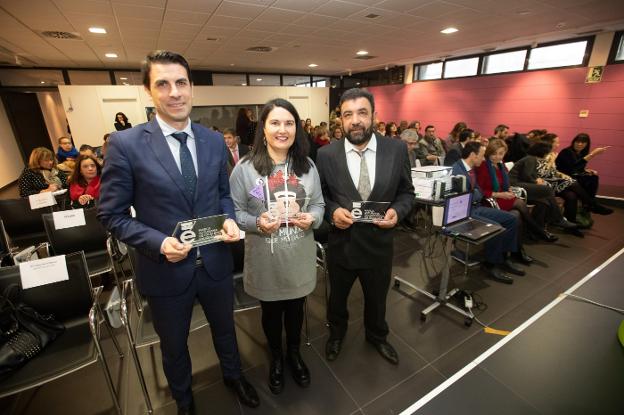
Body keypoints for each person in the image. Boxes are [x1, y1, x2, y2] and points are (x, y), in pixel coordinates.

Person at [97, 50, 259, 414]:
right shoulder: (126, 145)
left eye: (181, 83)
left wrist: (230, 218)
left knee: (226, 330)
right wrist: (157, 242)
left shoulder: (213, 141)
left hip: (215, 261)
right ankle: (184, 401)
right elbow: (111, 214)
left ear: (191, 88)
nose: (174, 92)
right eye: (163, 84)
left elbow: (222, 194)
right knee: (173, 345)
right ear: (148, 91)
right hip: (164, 269)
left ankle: (234, 376)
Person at [229, 98, 324, 395]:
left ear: (297, 128)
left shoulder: (307, 166)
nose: (282, 129)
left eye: (289, 123)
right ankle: (276, 358)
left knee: (296, 308)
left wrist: (312, 218)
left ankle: (294, 353)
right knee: (270, 313)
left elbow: (320, 204)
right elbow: (234, 214)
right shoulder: (244, 169)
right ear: (263, 128)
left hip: (298, 256)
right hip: (265, 260)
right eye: (275, 123)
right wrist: (257, 223)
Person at [316, 88, 415, 365]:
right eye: (348, 114)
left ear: (374, 116)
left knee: (377, 299)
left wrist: (397, 211)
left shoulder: (395, 150)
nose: (355, 120)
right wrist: (333, 211)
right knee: (337, 300)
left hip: (379, 246)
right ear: (341, 119)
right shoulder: (326, 154)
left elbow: (407, 192)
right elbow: (319, 197)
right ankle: (336, 334)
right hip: (342, 247)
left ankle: (377, 336)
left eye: (362, 113)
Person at [452, 142, 526, 284]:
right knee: (496, 227)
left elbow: (477, 191)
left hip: (475, 206)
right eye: (481, 155)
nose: (484, 158)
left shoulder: (471, 168)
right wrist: (477, 194)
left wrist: (477, 194)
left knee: (511, 219)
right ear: (473, 156)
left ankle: (504, 257)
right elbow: (467, 196)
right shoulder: (458, 171)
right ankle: (491, 263)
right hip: (465, 211)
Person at [476, 139, 558, 243]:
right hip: (490, 200)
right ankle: (539, 231)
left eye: (500, 154)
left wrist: (508, 189)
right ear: (488, 153)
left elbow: (504, 184)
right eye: (493, 154)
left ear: (505, 153)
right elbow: (480, 191)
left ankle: (534, 232)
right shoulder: (483, 166)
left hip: (502, 197)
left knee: (542, 202)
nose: (497, 157)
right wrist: (500, 194)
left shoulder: (501, 166)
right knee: (520, 204)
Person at [509, 142, 581, 237]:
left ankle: (538, 231)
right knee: (547, 190)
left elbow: (529, 175)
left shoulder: (530, 158)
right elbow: (527, 176)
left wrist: (536, 180)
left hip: (520, 183)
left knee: (543, 201)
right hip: (516, 184)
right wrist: (536, 181)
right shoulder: (530, 159)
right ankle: (558, 219)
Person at [538, 133, 597, 225]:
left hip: (556, 181)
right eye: (556, 143)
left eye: (583, 143)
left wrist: (584, 170)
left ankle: (571, 223)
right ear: (548, 143)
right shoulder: (545, 154)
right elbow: (543, 172)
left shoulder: (553, 154)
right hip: (547, 183)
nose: (558, 145)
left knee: (572, 194)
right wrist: (592, 155)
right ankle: (590, 203)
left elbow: (554, 171)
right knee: (574, 182)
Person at [555, 133, 612, 215]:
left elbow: (578, 168)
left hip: (572, 177)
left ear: (587, 144)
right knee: (574, 194)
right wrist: (593, 154)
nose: (579, 144)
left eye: (583, 142)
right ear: (573, 142)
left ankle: (589, 204)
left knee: (593, 177)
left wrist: (586, 170)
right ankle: (592, 204)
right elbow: (571, 168)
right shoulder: (566, 151)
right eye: (577, 142)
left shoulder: (581, 153)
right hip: (562, 178)